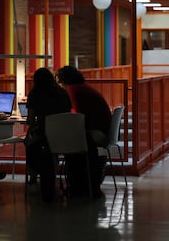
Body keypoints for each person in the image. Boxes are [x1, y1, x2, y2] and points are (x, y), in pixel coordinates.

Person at [55, 66, 111, 198]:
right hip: (103, 130)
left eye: (59, 81)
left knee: (69, 145)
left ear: (63, 80)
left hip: (96, 133)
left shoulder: (74, 91)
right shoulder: (82, 87)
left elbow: (80, 118)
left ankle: (75, 183)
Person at [24, 67, 72, 202]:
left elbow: (30, 120)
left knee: (29, 142)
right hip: (63, 136)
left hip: (44, 137)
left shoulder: (35, 93)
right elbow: (67, 114)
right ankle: (53, 175)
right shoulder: (63, 92)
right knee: (50, 148)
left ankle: (33, 179)